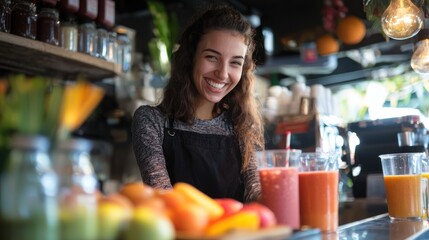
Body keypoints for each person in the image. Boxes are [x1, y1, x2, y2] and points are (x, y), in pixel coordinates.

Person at [132, 4, 264, 202]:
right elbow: (164, 200)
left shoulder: (242, 125)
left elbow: (255, 193)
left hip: (236, 232)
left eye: (235, 62)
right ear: (190, 57)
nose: (222, 73)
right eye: (212, 57)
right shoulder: (152, 121)